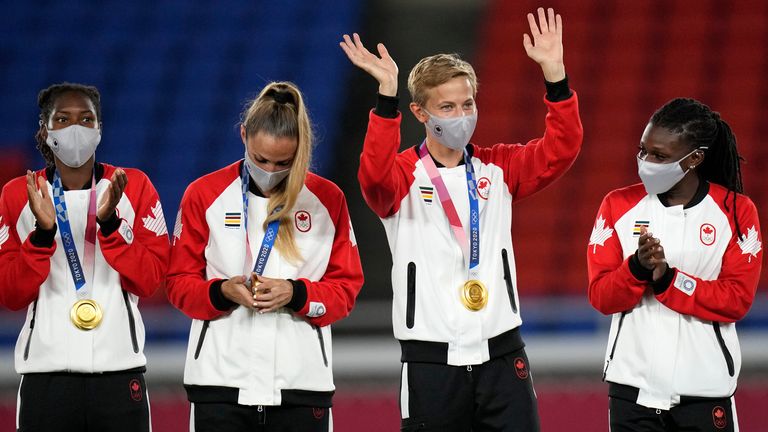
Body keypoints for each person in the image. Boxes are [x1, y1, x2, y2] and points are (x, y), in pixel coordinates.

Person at [340, 7, 582, 431]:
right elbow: (372, 175)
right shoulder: (401, 177)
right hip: (431, 360)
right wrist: (386, 97)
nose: (461, 115)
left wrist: (556, 76)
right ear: (420, 113)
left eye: (467, 103)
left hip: (503, 355)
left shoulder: (497, 169)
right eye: (447, 107)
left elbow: (561, 148)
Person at [166, 81, 363, 432]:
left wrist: (297, 294)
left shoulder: (326, 200)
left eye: (283, 162)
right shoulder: (205, 194)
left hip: (300, 383)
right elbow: (178, 285)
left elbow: (345, 291)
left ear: (300, 150)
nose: (270, 170)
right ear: (243, 135)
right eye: (260, 159)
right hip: (220, 381)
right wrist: (221, 291)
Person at [0, 82, 170, 431]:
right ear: (45, 130)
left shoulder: (133, 186)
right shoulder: (19, 194)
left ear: (99, 129)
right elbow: (11, 294)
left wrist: (110, 225)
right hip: (45, 376)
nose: (75, 128)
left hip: (120, 372)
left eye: (86, 119)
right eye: (62, 119)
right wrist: (43, 234)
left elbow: (151, 278)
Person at [587, 98, 763, 431]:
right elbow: (601, 297)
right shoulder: (617, 204)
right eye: (643, 151)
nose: (646, 162)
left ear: (695, 158)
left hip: (704, 392)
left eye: (660, 156)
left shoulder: (736, 211)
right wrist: (636, 270)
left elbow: (737, 300)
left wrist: (669, 280)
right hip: (631, 392)